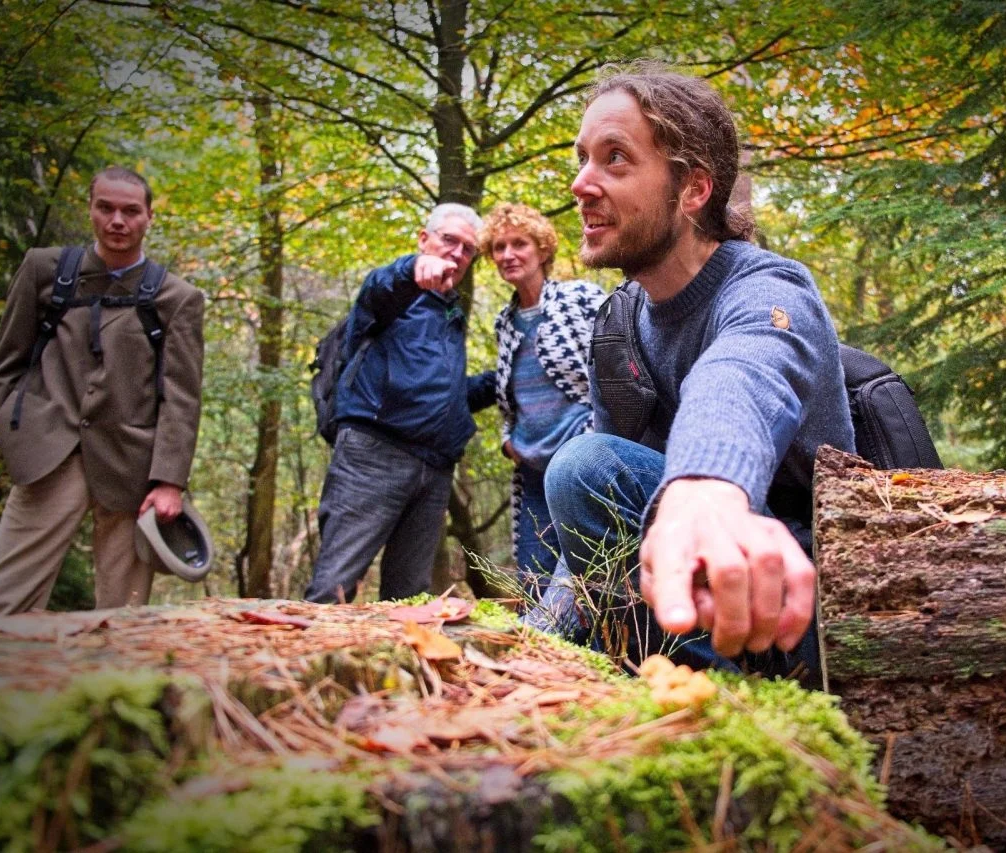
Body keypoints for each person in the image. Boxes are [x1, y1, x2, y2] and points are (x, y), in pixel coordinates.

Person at [528, 64, 857, 681]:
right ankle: (654, 683)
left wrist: (705, 484)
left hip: (803, 605)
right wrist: (535, 642)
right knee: (587, 469)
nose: (580, 183)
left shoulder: (767, 289)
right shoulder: (617, 323)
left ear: (693, 190)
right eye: (582, 159)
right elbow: (601, 522)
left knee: (582, 465)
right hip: (684, 596)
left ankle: (753, 711)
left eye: (615, 158)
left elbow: (741, 377)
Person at [0, 166, 205, 613]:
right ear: (90, 209)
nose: (117, 221)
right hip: (49, 454)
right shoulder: (44, 270)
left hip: (132, 466)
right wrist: (21, 435)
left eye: (131, 211)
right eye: (106, 208)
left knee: (124, 614)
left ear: (149, 217)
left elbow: (181, 397)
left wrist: (169, 481)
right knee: (3, 601)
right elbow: (6, 364)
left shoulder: (177, 298)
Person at [304, 203, 497, 604]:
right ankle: (298, 647)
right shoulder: (393, 295)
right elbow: (378, 288)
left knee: (409, 599)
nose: (458, 253)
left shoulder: (450, 314)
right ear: (424, 239)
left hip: (434, 468)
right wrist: (412, 269)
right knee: (334, 587)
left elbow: (446, 394)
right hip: (375, 455)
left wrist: (503, 380)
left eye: (468, 249)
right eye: (449, 240)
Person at [479, 203, 605, 601]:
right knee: (533, 581)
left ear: (543, 250)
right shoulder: (505, 321)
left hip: (580, 462)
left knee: (590, 578)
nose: (508, 254)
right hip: (531, 469)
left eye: (519, 244)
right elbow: (509, 395)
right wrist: (508, 440)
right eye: (499, 247)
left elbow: (616, 368)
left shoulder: (580, 298)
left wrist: (596, 428)